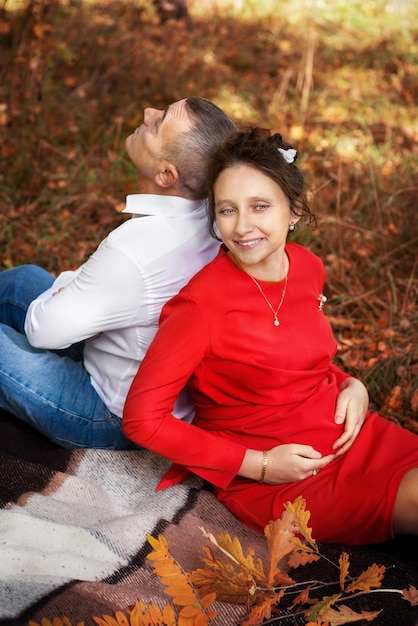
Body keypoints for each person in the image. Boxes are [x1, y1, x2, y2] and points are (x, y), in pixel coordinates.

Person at [123, 127, 418, 545]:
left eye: (260, 206)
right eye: (227, 210)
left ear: (293, 210)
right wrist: (258, 464)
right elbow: (142, 420)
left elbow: (296, 355)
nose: (242, 227)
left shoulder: (307, 266)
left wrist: (353, 384)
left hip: (357, 434)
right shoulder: (200, 307)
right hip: (281, 478)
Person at [0, 97, 237, 449]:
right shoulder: (211, 214)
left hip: (110, 412)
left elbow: (42, 332)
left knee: (29, 320)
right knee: (23, 279)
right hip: (131, 364)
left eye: (159, 123)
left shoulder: (136, 250)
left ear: (166, 174)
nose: (147, 113)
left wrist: (72, 283)